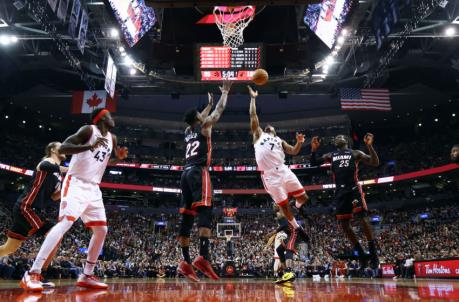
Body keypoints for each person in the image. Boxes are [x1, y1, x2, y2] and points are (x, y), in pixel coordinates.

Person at [21, 108, 128, 291]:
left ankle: (87, 275)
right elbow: (63, 148)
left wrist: (117, 160)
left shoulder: (112, 139)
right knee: (64, 224)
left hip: (94, 188)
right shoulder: (88, 130)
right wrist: (89, 146)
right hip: (76, 182)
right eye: (109, 115)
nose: (113, 118)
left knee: (101, 230)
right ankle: (32, 273)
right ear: (101, 118)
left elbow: (101, 162)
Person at [177, 82, 232, 282]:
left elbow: (200, 116)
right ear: (198, 119)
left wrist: (206, 106)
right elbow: (219, 110)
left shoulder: (187, 131)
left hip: (185, 174)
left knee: (187, 218)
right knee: (205, 210)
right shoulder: (205, 127)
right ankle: (203, 257)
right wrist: (224, 93)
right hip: (199, 172)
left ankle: (185, 262)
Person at [0, 142, 68, 287]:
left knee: (9, 248)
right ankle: (36, 274)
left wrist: (69, 187)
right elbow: (42, 167)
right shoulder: (47, 161)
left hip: (33, 209)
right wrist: (69, 170)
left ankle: (37, 274)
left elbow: (54, 197)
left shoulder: (59, 175)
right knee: (54, 233)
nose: (65, 149)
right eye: (60, 146)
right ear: (52, 150)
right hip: (26, 207)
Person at [248, 85, 309, 242]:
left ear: (274, 131)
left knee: (304, 197)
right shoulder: (258, 135)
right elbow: (253, 116)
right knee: (284, 207)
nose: (268, 126)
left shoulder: (279, 140)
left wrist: (299, 142)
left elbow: (294, 151)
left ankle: (299, 207)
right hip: (270, 175)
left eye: (271, 127)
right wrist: (253, 98)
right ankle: (297, 227)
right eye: (266, 126)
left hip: (283, 170)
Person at [311, 134, 380, 269]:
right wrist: (314, 149)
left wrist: (370, 146)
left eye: (341, 136)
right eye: (336, 137)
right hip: (340, 192)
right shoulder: (331, 155)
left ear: (346, 141)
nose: (339, 137)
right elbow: (314, 163)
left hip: (353, 188)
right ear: (334, 142)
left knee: (362, 219)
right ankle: (361, 253)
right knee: (344, 225)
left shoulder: (355, 153)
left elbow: (375, 162)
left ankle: (373, 253)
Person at [265, 205, 307, 284]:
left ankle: (289, 271)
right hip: (290, 234)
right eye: (273, 204)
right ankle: (286, 272)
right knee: (279, 249)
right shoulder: (279, 214)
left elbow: (284, 225)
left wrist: (272, 232)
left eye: (275, 204)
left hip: (296, 232)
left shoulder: (282, 213)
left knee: (289, 248)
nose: (273, 205)